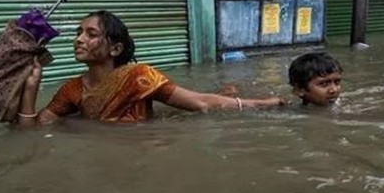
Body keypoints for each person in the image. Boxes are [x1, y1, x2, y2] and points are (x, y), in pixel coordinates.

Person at [18, 10, 285, 125]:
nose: (79, 39)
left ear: (115, 49)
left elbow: (201, 104)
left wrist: (260, 104)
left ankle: (228, 93)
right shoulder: (72, 89)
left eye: (91, 34)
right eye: (79, 32)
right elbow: (36, 129)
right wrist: (31, 87)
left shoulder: (139, 76)